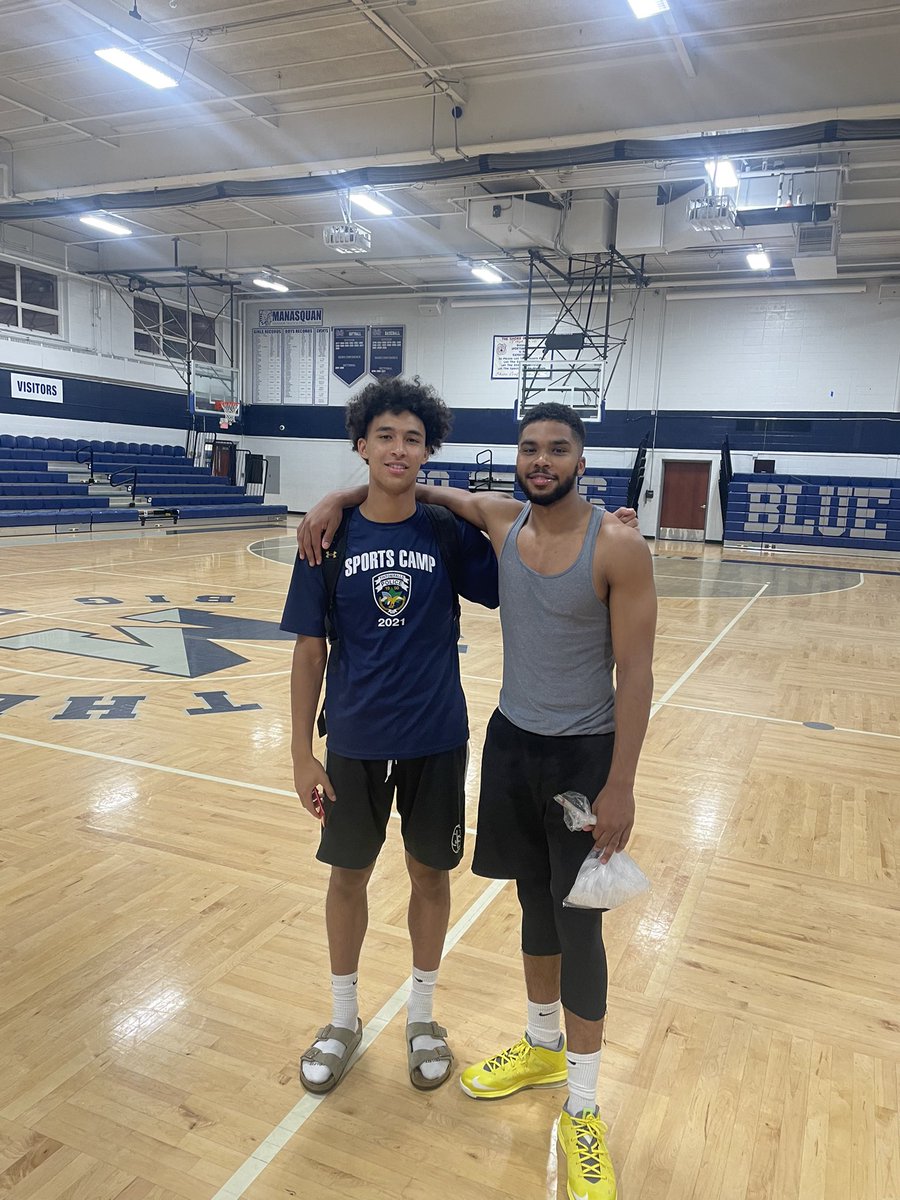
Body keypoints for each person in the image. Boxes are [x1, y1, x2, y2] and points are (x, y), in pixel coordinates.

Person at [299, 401, 655, 1200]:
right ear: (517, 459)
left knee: (579, 926)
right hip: (509, 745)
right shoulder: (500, 518)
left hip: (584, 758)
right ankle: (539, 1045)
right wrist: (331, 499)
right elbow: (407, 487)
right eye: (531, 449)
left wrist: (621, 782)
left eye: (558, 450)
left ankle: (587, 1107)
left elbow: (637, 673)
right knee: (534, 904)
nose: (542, 461)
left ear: (581, 459)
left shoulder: (620, 543)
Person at [281, 376, 500, 1095]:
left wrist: (440, 497)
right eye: (385, 436)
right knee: (348, 877)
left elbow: (521, 545)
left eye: (412, 438)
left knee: (430, 875)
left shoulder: (443, 533)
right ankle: (342, 1020)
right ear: (361, 443)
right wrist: (299, 753)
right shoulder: (327, 538)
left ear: (428, 448)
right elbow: (310, 649)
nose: (398, 449)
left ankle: (423, 1017)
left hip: (437, 736)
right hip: (353, 741)